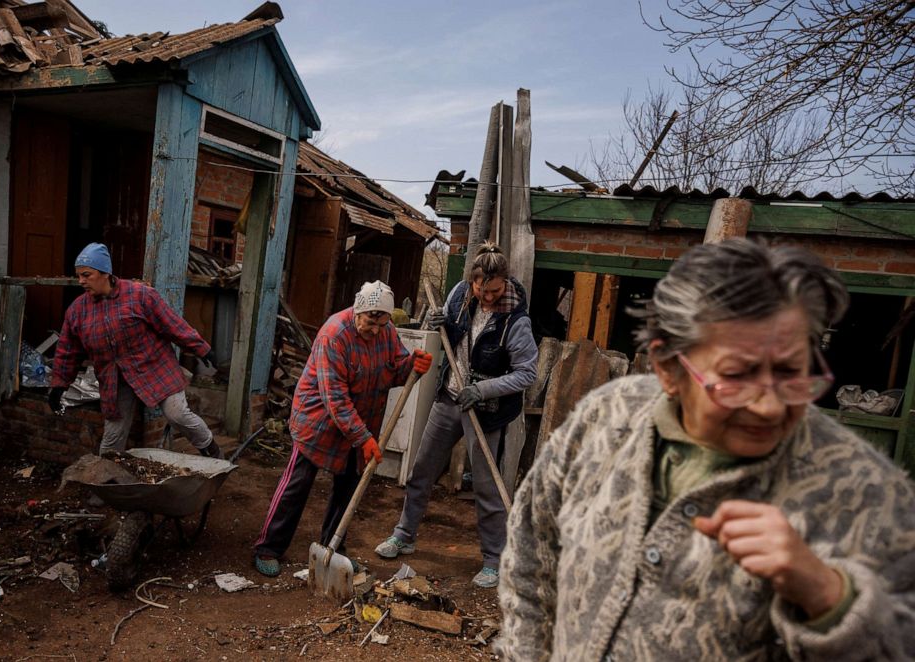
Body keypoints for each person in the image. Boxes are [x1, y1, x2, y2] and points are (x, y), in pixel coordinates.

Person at [497, 239, 915, 660]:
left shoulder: (866, 491)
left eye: (792, 371)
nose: (770, 406)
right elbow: (532, 548)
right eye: (736, 376)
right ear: (667, 367)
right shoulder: (607, 416)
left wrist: (830, 596)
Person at [375, 243, 538, 589]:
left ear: (505, 283)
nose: (487, 297)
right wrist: (438, 323)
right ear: (473, 281)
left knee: (486, 487)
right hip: (450, 397)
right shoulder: (462, 294)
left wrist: (483, 389)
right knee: (422, 470)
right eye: (482, 289)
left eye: (494, 291)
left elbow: (527, 373)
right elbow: (450, 331)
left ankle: (494, 560)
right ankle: (404, 535)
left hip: (486, 410)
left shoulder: (515, 320)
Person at [252, 281, 433, 577]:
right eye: (369, 324)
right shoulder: (334, 335)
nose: (375, 331)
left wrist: (413, 364)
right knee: (297, 484)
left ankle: (333, 548)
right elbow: (334, 398)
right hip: (318, 421)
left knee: (348, 488)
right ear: (358, 312)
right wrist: (363, 438)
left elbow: (395, 367)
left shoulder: (385, 331)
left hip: (359, 423)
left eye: (381, 324)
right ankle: (268, 547)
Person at [49, 242, 224, 460]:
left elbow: (172, 325)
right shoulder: (77, 310)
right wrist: (59, 385)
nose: (81, 281)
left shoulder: (140, 296)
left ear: (105, 273)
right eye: (79, 276)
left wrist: (202, 349)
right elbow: (68, 350)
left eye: (86, 275)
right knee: (113, 436)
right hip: (115, 379)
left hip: (155, 367)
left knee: (177, 414)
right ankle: (108, 482)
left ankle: (210, 448)